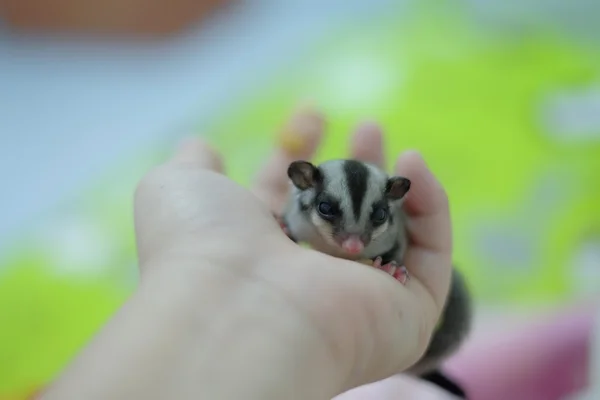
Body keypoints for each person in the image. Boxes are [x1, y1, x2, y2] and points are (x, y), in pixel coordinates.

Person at [38, 109, 456, 399]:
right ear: (303, 184)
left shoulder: (382, 224)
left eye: (375, 219)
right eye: (329, 212)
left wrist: (389, 261)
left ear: (395, 197)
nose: (352, 241)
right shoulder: (296, 204)